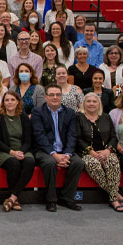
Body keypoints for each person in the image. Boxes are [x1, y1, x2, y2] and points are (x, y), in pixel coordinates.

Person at [32, 83, 84, 212]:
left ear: (62, 96)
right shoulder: (37, 112)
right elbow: (40, 135)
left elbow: (72, 135)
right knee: (50, 163)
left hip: (65, 150)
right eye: (52, 95)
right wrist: (54, 154)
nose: (55, 97)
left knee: (78, 162)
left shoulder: (70, 113)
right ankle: (51, 199)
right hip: (44, 150)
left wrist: (67, 154)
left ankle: (67, 198)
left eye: (58, 95)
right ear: (46, 97)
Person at [76, 92, 123, 211]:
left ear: (99, 104)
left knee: (112, 162)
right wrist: (91, 152)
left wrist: (108, 150)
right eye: (88, 101)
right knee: (94, 164)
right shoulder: (78, 117)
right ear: (84, 104)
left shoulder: (106, 117)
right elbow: (77, 138)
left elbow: (113, 137)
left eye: (94, 101)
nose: (91, 104)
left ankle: (112, 197)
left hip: (106, 151)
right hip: (86, 152)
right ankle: (115, 197)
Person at [0, 91, 35, 211]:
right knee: (13, 163)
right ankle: (15, 200)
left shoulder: (24, 117)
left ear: (17, 102)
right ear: (3, 103)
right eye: (7, 100)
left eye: (12, 100)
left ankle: (12, 197)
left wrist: (21, 152)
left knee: (29, 162)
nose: (10, 102)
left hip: (22, 149)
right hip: (4, 151)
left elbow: (28, 140)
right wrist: (12, 152)